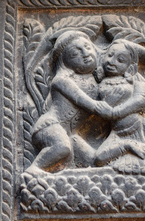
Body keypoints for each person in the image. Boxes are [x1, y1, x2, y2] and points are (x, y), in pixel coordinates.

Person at [28, 30, 112, 173]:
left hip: (71, 135)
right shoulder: (61, 81)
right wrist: (110, 110)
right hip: (49, 127)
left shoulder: (94, 82)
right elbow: (83, 100)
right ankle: (34, 171)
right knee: (62, 147)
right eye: (75, 54)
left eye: (87, 47)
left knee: (95, 160)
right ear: (65, 62)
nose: (85, 54)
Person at [95, 39, 145, 173]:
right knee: (99, 158)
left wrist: (114, 112)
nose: (111, 61)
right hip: (117, 131)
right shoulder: (103, 83)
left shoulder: (137, 80)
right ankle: (127, 146)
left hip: (137, 127)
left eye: (120, 60)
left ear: (131, 68)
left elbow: (141, 101)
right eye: (110, 55)